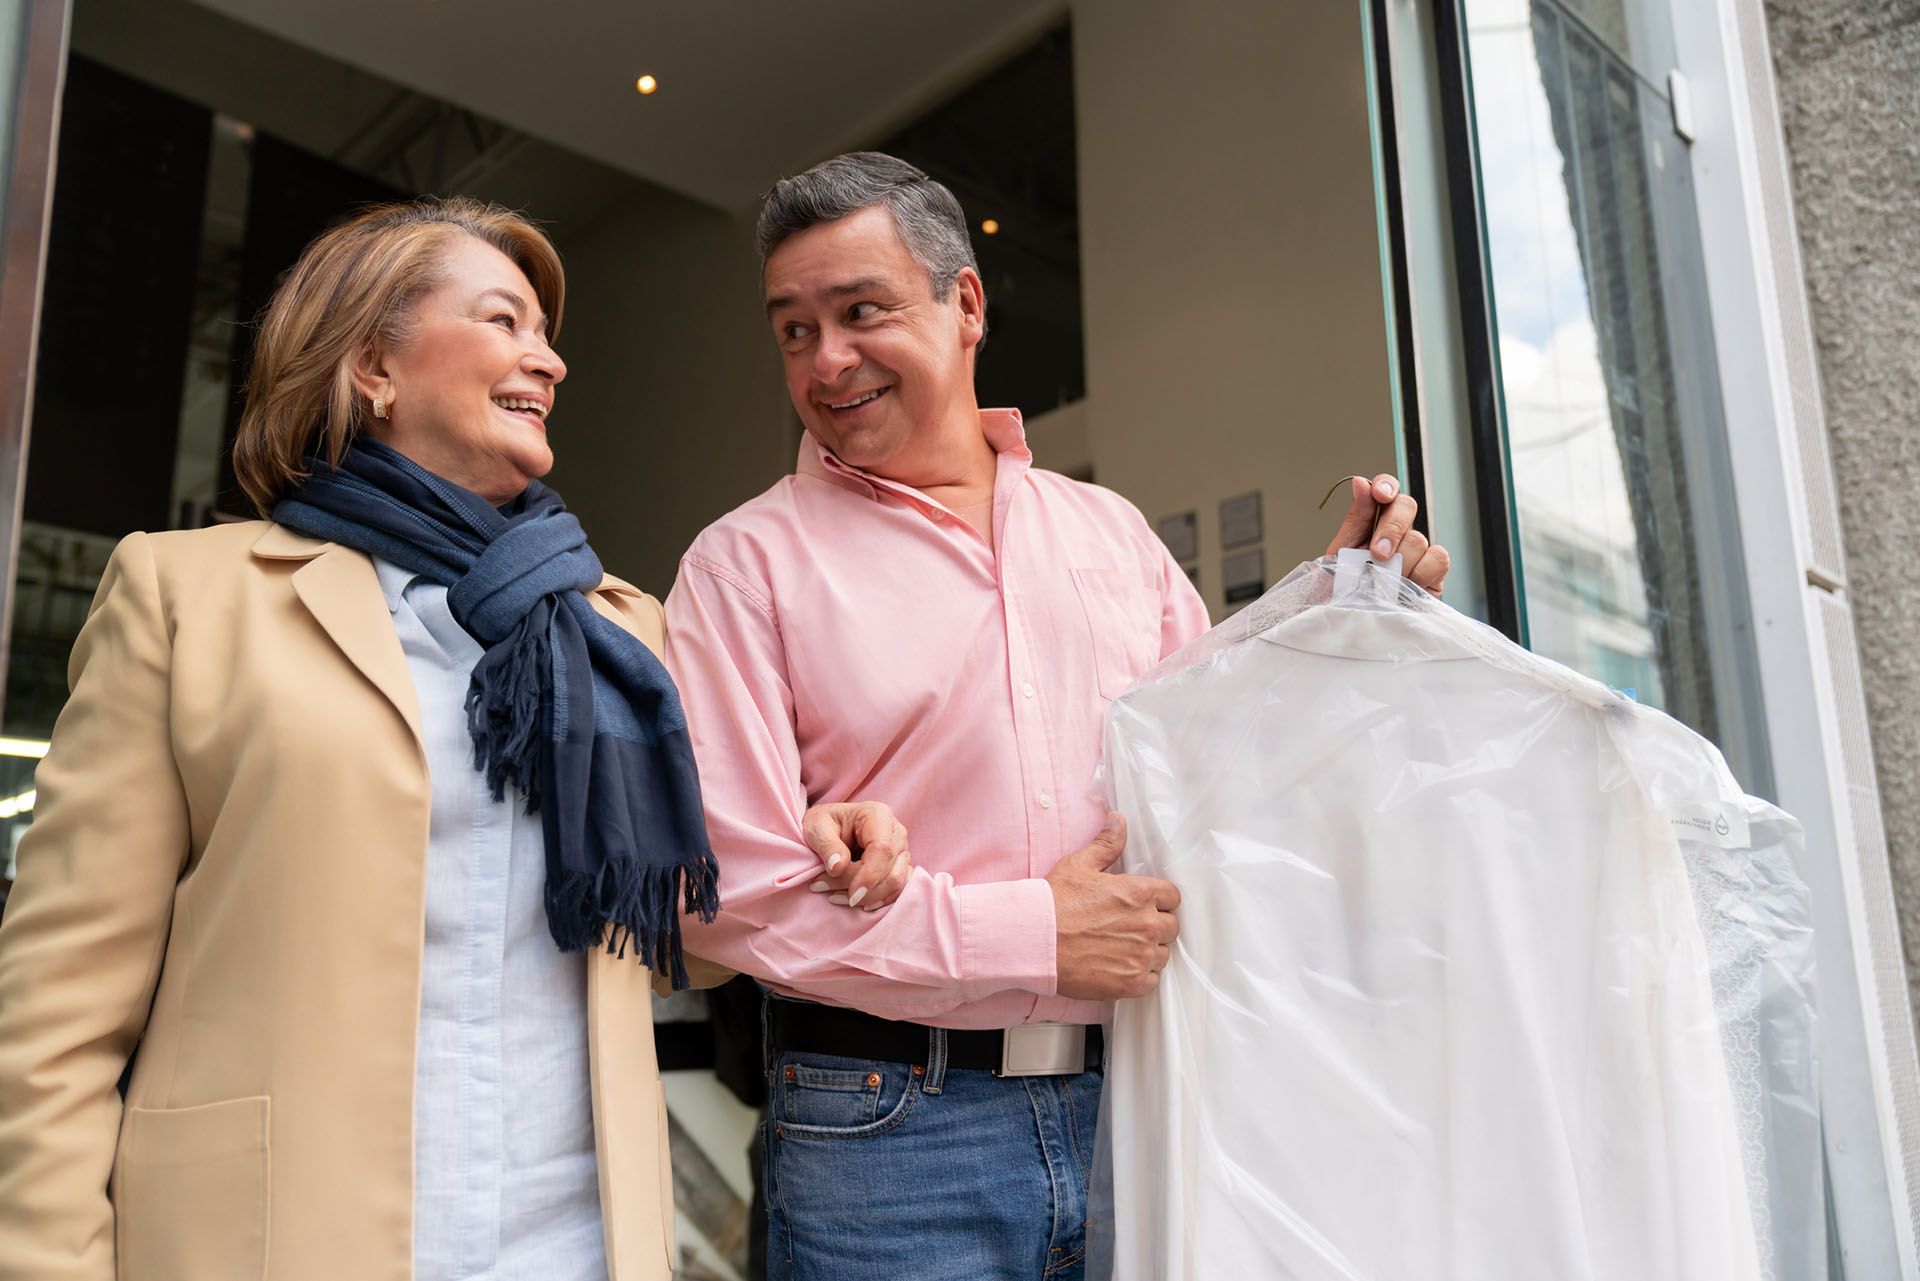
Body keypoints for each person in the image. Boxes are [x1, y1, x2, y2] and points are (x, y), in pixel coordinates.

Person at [0, 196, 912, 1281]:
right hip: (272, 1241)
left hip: (567, 1243)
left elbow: (691, 946)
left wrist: (809, 840)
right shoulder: (187, 597)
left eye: (545, 332)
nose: (551, 360)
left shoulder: (623, 630)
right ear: (372, 367)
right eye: (504, 322)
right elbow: (54, 1020)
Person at [664, 152, 1451, 1280]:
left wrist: (1329, 626)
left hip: (1138, 1096)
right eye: (794, 330)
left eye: (860, 312)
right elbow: (723, 899)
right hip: (884, 1137)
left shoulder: (1110, 535)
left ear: (966, 304)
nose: (826, 359)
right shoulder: (744, 569)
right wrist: (1035, 931)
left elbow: (1214, 780)